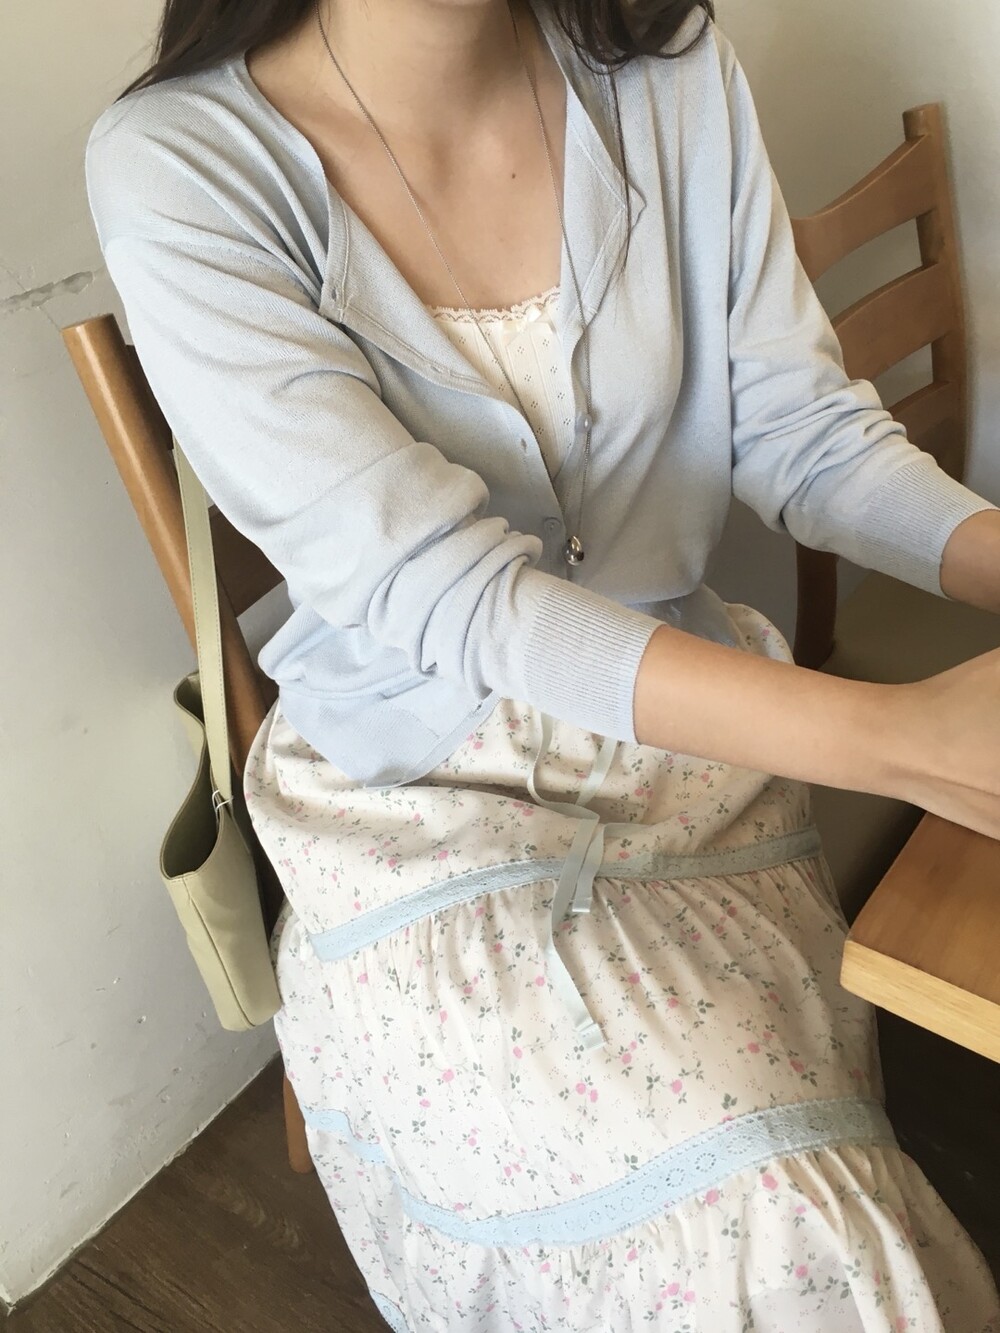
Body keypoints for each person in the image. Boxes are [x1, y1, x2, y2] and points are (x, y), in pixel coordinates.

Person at [85, 0, 1000, 1326]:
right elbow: (445, 594)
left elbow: (800, 429)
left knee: (777, 1175)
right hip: (413, 801)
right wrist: (900, 738)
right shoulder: (180, 167)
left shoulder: (668, 66)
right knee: (769, 1215)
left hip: (694, 760)